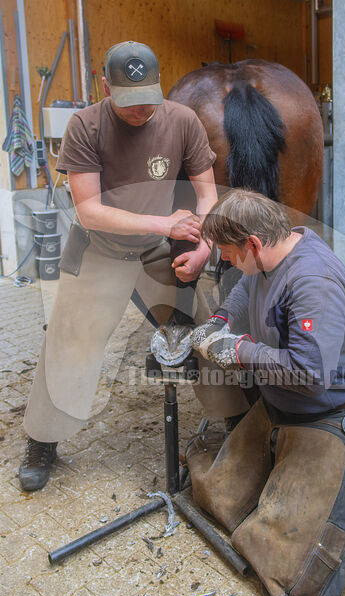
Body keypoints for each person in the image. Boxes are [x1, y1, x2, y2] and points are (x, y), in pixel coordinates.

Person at [18, 41, 249, 492]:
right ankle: (42, 439)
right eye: (128, 101)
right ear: (106, 86)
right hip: (99, 251)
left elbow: (206, 196)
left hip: (155, 252)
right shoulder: (85, 125)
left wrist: (204, 244)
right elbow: (90, 211)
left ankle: (236, 420)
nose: (140, 110)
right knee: (70, 341)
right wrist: (164, 221)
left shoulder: (182, 120)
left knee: (200, 331)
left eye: (147, 99)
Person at [189, 188, 345, 596]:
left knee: (313, 545)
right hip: (284, 407)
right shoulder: (274, 252)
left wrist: (238, 349)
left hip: (331, 410)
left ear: (252, 242)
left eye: (229, 254)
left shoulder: (312, 281)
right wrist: (219, 321)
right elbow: (247, 290)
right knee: (223, 495)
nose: (225, 261)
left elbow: (309, 373)